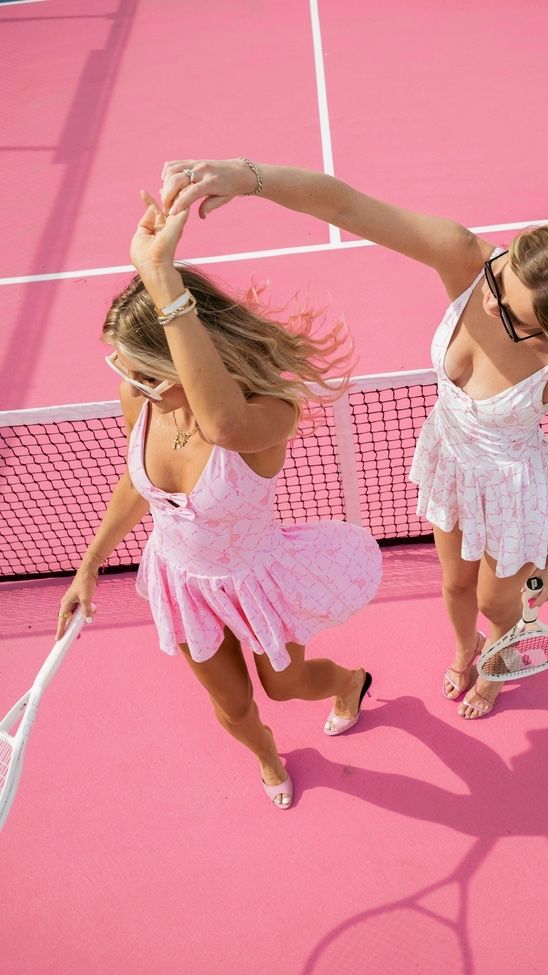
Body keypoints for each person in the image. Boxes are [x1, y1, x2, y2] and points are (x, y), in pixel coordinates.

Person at [159, 158, 548, 719]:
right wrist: (248, 179)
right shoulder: (467, 259)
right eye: (500, 280)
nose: (489, 302)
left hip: (514, 489)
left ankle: (499, 661)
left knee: (495, 600)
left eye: (511, 315)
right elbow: (345, 205)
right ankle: (468, 650)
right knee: (455, 587)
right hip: (451, 460)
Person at [56, 191, 382, 809]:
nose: (131, 385)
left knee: (283, 688)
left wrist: (161, 275)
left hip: (255, 577)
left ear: (183, 353)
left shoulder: (267, 413)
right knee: (232, 704)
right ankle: (268, 757)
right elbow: (137, 484)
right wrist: (90, 562)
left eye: (143, 371)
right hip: (183, 581)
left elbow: (222, 427)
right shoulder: (144, 402)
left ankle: (350, 682)